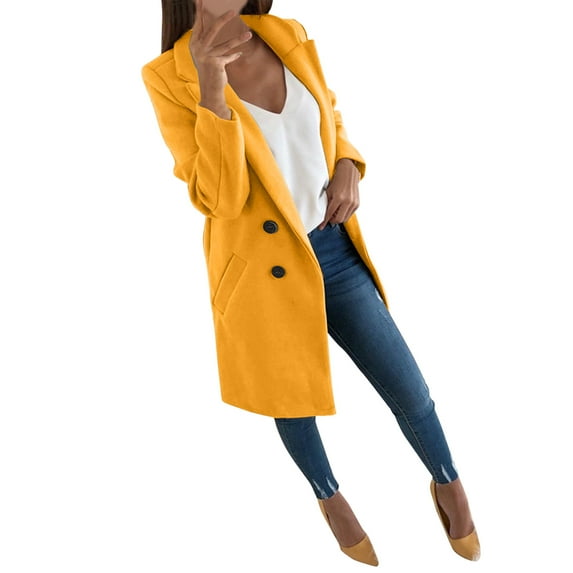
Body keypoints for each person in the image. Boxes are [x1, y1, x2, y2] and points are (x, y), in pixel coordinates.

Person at [142, 0, 480, 566]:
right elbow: (218, 198)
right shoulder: (168, 75)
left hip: (332, 248)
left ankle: (449, 481)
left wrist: (348, 163)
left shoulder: (287, 33)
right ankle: (330, 498)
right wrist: (210, 87)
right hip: (261, 270)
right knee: (291, 399)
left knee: (409, 389)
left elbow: (329, 115)